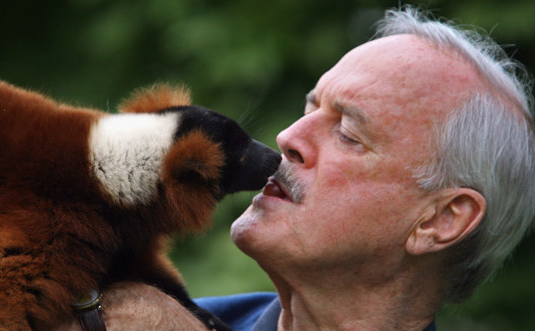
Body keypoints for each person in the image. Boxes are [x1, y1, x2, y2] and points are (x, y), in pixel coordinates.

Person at [63, 5, 534, 331]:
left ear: (440, 220)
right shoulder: (131, 317)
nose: (288, 137)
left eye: (348, 133)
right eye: (310, 109)